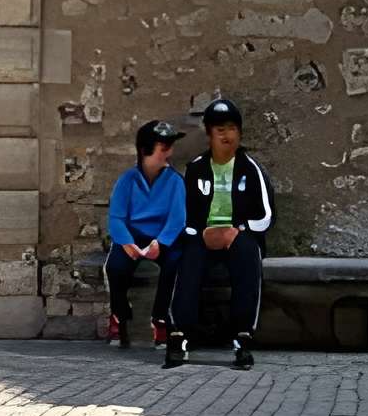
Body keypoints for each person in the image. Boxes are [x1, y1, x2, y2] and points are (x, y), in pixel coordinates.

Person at [164, 95, 273, 371]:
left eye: (232, 129)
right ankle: (180, 335)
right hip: (203, 235)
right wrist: (199, 234)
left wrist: (239, 230)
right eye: (220, 130)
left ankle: (243, 337)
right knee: (185, 260)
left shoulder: (251, 169)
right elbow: (184, 216)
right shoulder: (197, 168)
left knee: (249, 258)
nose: (227, 136)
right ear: (210, 134)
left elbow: (266, 216)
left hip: (239, 234)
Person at [104, 119, 186, 348]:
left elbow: (177, 219)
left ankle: (160, 317)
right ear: (145, 150)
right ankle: (119, 315)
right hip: (133, 235)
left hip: (162, 237)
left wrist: (160, 243)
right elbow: (117, 218)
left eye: (169, 147)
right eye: (163, 148)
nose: (169, 152)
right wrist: (127, 243)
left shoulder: (175, 181)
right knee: (115, 267)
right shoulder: (127, 180)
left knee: (175, 263)